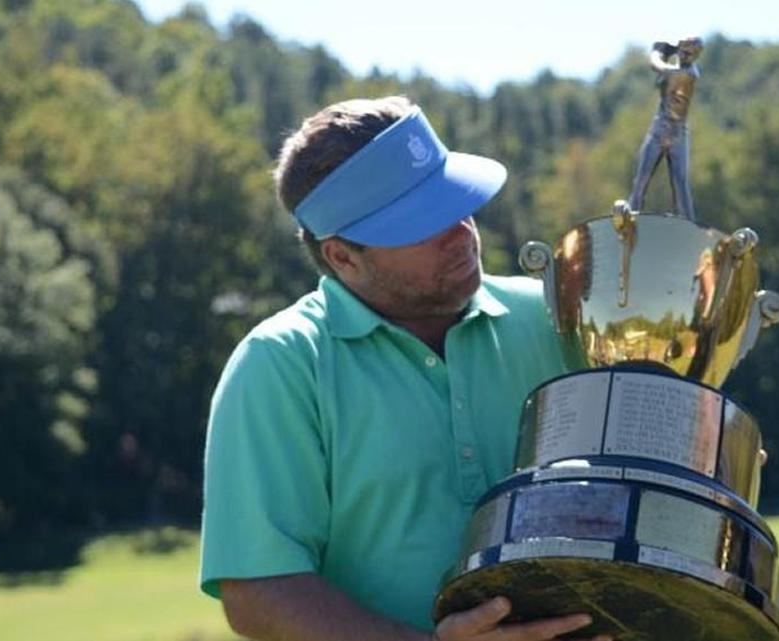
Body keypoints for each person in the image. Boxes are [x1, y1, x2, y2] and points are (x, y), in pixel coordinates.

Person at [199, 96, 607, 641]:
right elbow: (257, 592)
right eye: (422, 222)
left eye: (456, 201)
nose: (461, 231)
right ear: (342, 255)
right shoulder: (280, 365)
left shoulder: (559, 318)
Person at [626, 38, 703, 219]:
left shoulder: (687, 72)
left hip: (677, 133)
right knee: (641, 179)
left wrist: (658, 50)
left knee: (680, 183)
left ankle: (687, 221)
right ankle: (631, 216)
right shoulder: (676, 68)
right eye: (683, 51)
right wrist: (668, 51)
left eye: (689, 53)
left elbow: (657, 65)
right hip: (660, 128)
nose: (685, 56)